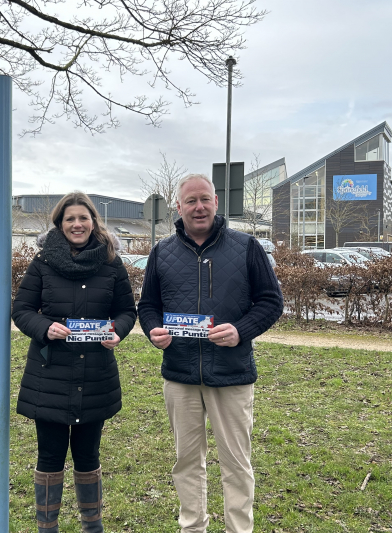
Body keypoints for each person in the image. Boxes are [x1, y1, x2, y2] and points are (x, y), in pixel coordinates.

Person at [137, 173, 284, 533]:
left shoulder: (246, 246)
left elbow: (271, 302)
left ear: (216, 203)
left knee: (236, 463)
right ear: (179, 207)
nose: (198, 207)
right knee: (186, 461)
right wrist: (153, 330)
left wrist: (241, 331)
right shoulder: (162, 252)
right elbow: (148, 305)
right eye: (191, 201)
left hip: (231, 374)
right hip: (180, 375)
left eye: (205, 199)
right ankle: (193, 527)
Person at [13, 192, 137, 533]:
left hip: (95, 374)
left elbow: (127, 312)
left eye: (83, 218)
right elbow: (21, 310)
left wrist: (118, 332)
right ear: (60, 224)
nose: (77, 224)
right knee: (50, 457)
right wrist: (44, 327)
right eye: (70, 219)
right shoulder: (42, 264)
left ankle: (92, 526)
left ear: (93, 222)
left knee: (88, 457)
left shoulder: (112, 265)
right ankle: (47, 527)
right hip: (49, 375)